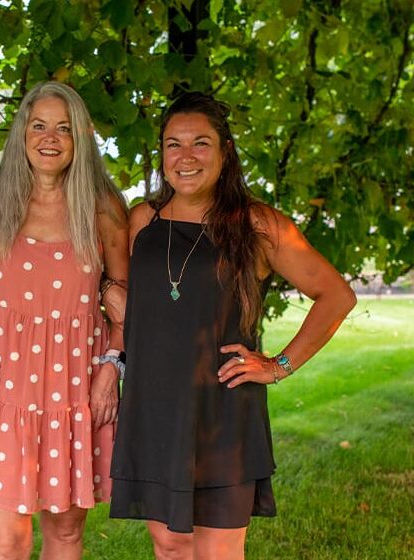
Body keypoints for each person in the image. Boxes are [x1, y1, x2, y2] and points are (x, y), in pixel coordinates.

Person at [109, 91, 357, 560]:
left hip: (222, 413)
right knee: (169, 546)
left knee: (218, 551)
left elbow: (336, 296)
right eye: (172, 144)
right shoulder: (142, 220)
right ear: (160, 154)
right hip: (153, 409)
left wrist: (279, 365)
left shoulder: (256, 224)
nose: (186, 157)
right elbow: (111, 281)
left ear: (225, 152)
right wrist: (108, 291)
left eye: (200, 143)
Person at [0, 81, 130, 560]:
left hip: (77, 388)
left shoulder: (103, 206)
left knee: (66, 536)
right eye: (40, 126)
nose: (50, 138)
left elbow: (124, 303)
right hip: (3, 386)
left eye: (64, 128)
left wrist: (112, 367)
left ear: (80, 138)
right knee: (7, 542)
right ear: (22, 133)